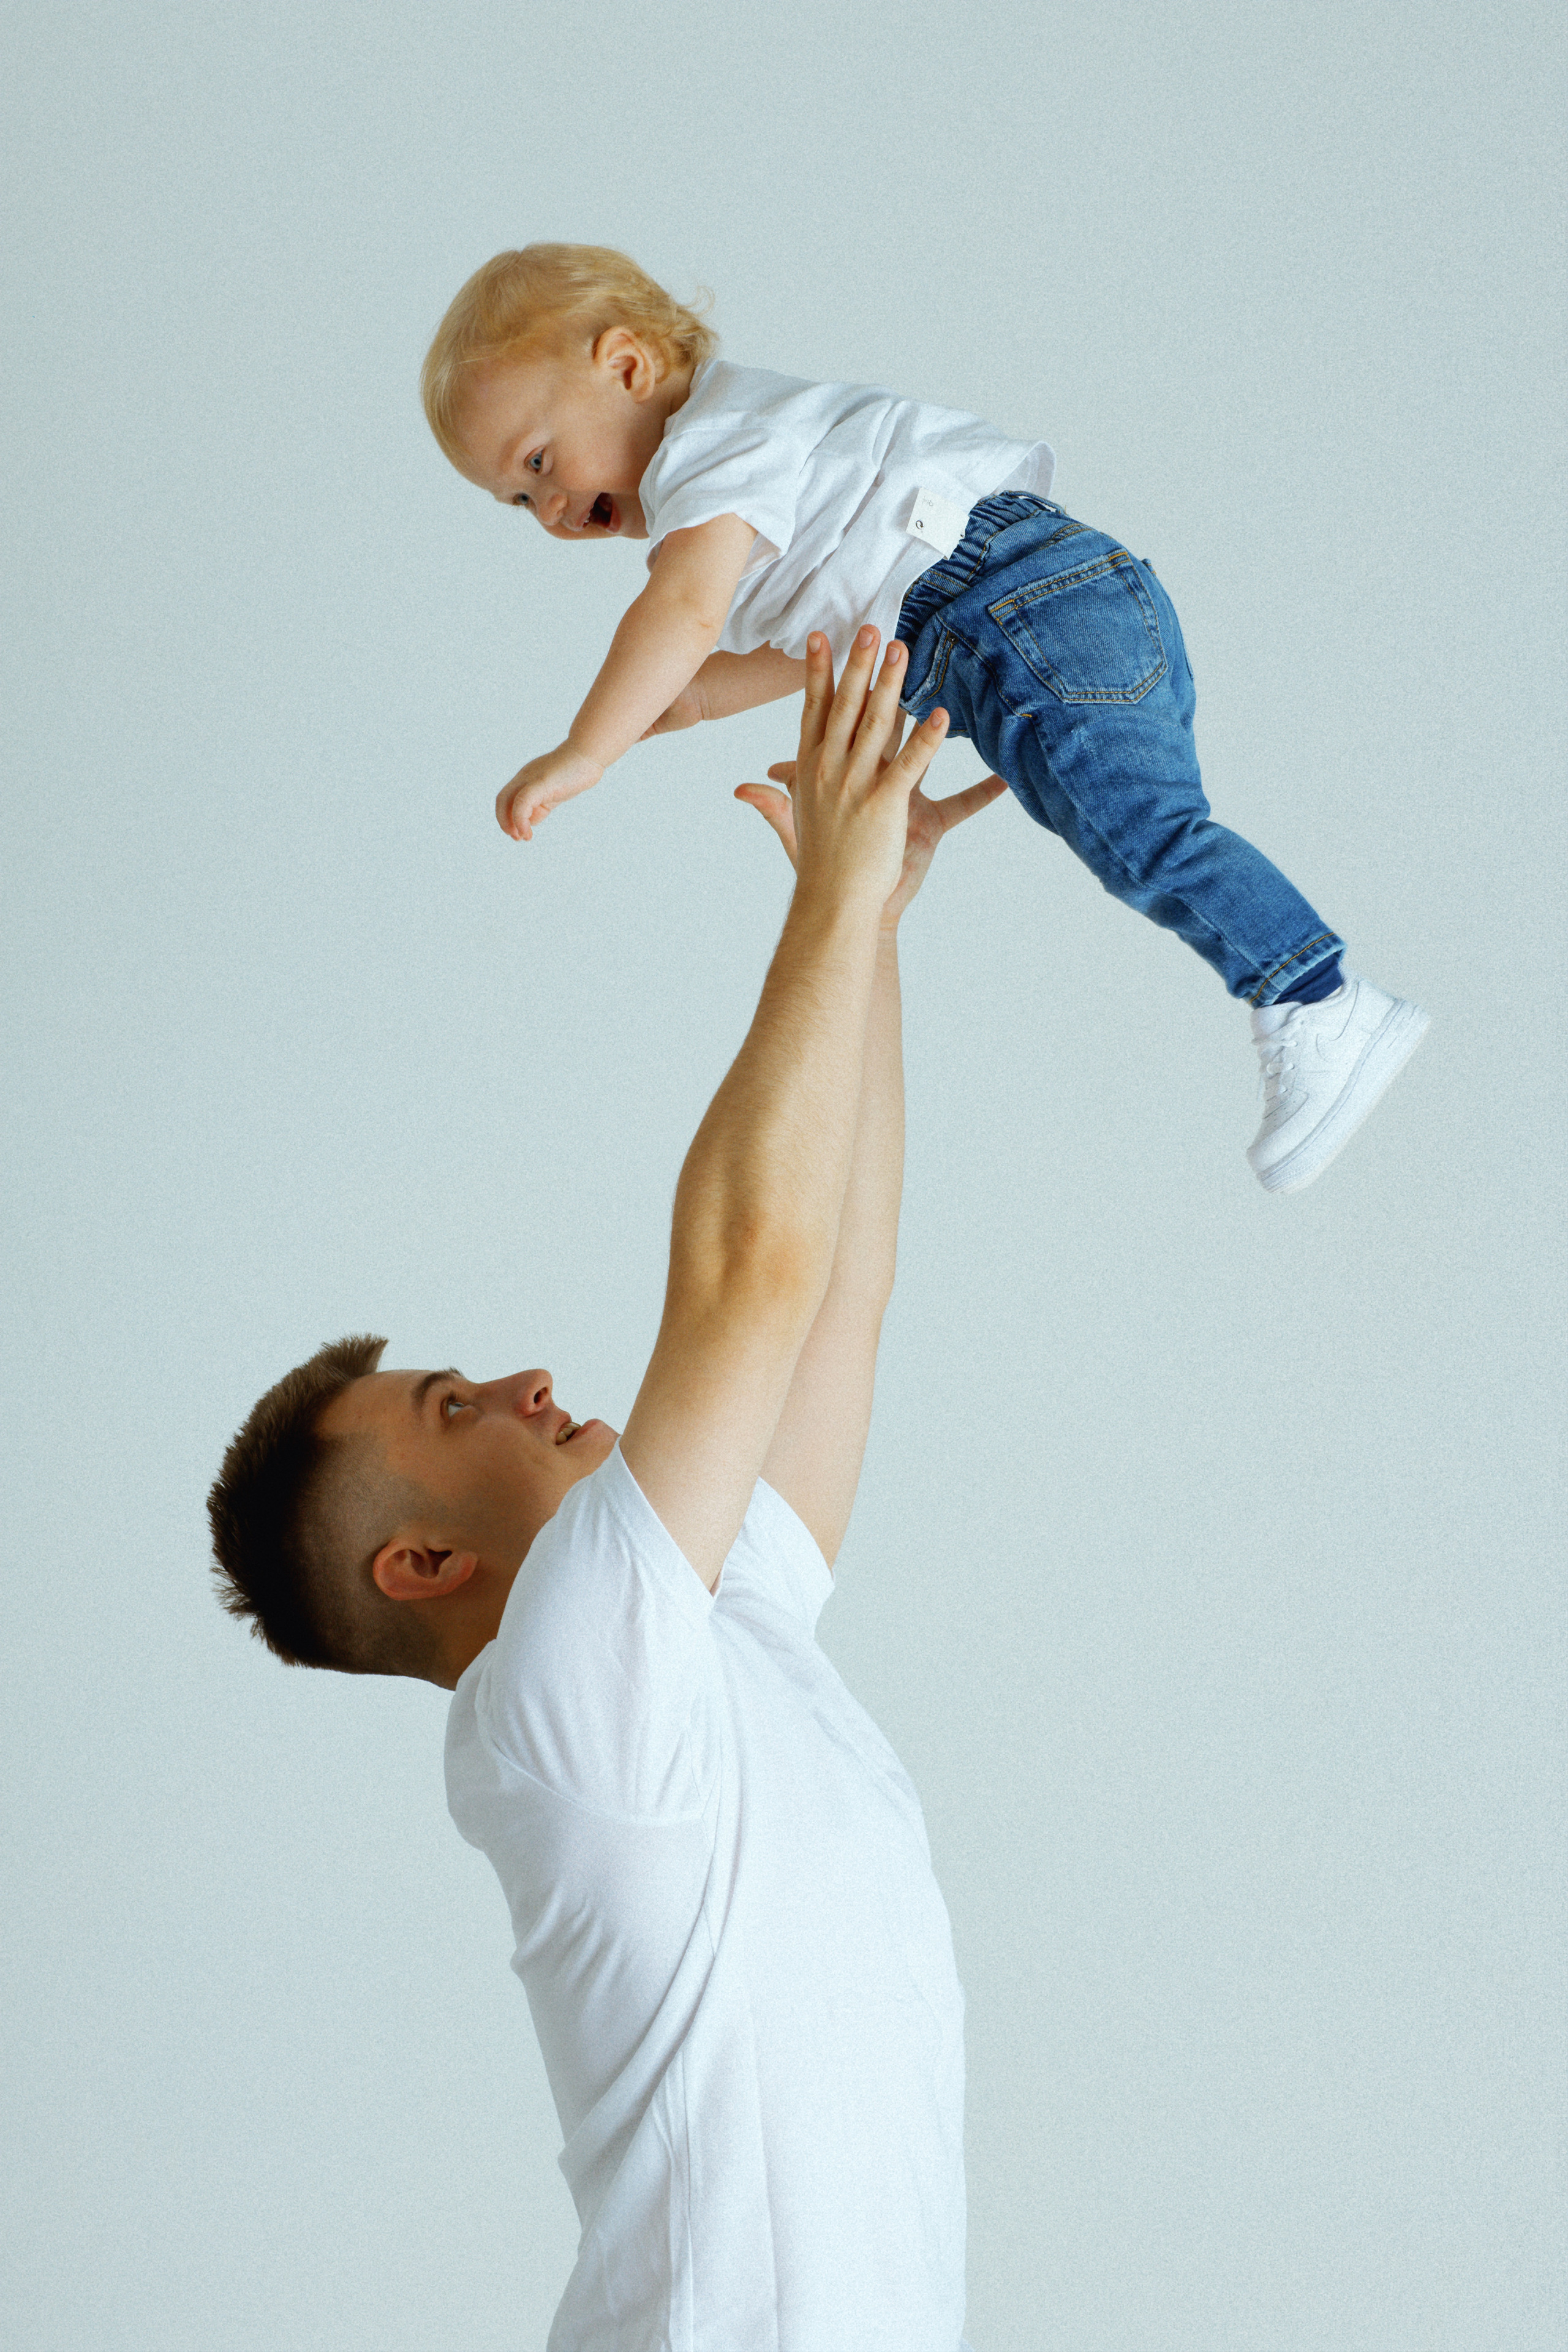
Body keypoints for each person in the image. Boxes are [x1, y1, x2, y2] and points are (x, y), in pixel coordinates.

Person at [208, 628, 1004, 2352]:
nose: (527, 1384)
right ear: (424, 1560)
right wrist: (821, 915)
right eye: (455, 1401)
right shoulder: (565, 1691)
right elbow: (751, 1276)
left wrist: (865, 933)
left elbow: (834, 1300)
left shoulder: (716, 1636)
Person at [418, 241, 1429, 1195]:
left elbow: (678, 614)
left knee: (1150, 842)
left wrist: (585, 751)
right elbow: (724, 670)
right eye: (518, 501)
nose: (548, 510)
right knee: (1146, 837)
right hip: (1039, 606)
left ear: (628, 367)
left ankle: (1316, 998)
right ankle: (1306, 994)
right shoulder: (778, 491)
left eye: (542, 462)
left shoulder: (713, 450)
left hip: (1011, 609)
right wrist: (659, 715)